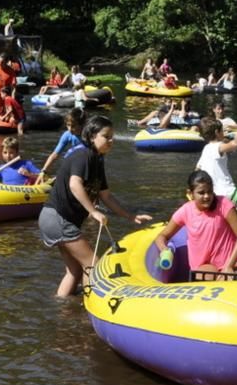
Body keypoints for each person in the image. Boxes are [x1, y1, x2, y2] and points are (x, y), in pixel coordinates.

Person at [38, 115, 152, 297]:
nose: (111, 140)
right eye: (106, 136)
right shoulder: (83, 155)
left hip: (54, 219)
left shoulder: (98, 160)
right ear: (92, 136)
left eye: (112, 136)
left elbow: (106, 196)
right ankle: (89, 311)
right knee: (93, 264)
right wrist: (93, 211)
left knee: (74, 271)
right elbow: (74, 184)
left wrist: (130, 216)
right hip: (57, 217)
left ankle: (62, 309)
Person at [154, 171, 237, 278]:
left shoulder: (224, 204)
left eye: (210, 192)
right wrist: (164, 250)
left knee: (230, 278)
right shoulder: (185, 211)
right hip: (205, 266)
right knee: (205, 275)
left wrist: (229, 266)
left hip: (232, 263)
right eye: (201, 193)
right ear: (190, 194)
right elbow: (162, 236)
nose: (207, 196)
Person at [196, 117, 237, 198]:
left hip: (213, 193)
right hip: (228, 193)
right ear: (217, 132)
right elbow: (234, 145)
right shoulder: (218, 146)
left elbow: (197, 168)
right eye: (222, 131)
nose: (224, 133)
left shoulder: (206, 149)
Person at [39, 109, 86, 177]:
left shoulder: (88, 135)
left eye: (73, 126)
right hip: (76, 161)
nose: (70, 129)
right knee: (69, 155)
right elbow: (55, 154)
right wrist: (44, 171)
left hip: (85, 160)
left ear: (82, 124)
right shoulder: (67, 135)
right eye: (68, 125)